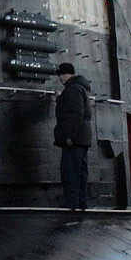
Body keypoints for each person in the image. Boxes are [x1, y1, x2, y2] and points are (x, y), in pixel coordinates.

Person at [53, 62, 93, 210]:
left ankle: (71, 203)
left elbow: (76, 114)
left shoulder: (73, 89)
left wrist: (69, 136)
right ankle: (81, 202)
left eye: (61, 75)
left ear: (67, 74)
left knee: (70, 171)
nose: (60, 78)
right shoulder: (79, 88)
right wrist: (60, 98)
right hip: (83, 137)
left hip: (75, 139)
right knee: (81, 172)